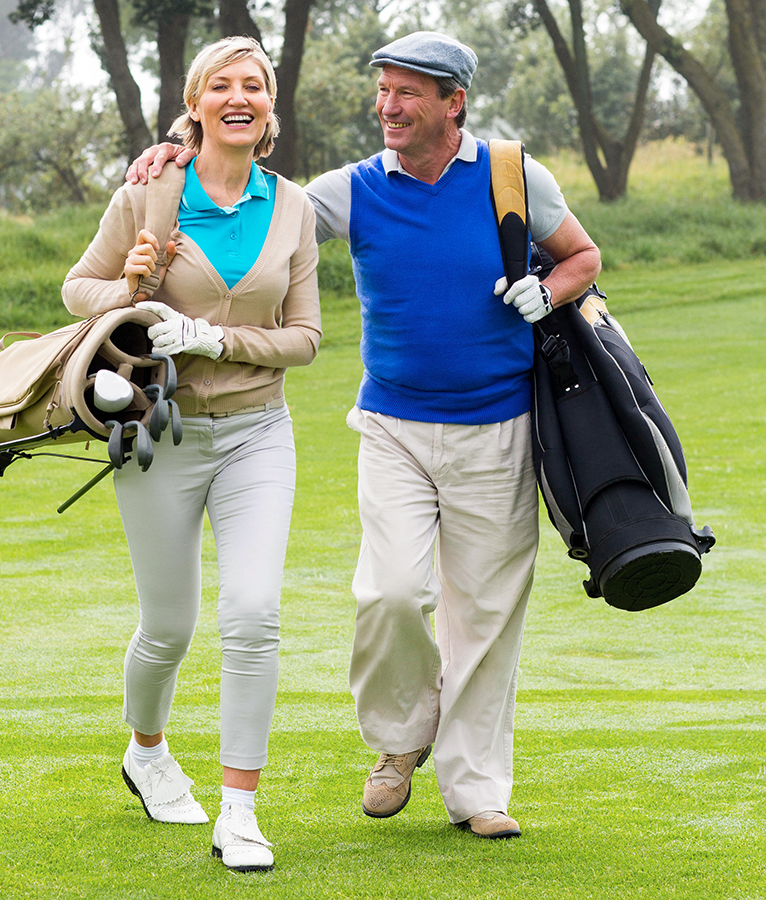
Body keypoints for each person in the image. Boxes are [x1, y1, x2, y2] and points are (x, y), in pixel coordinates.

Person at [127, 31, 600, 840]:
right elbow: (257, 198)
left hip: (502, 429)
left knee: (483, 618)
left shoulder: (512, 175)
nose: (388, 107)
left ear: (454, 102)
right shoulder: (347, 190)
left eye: (407, 93)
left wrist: (546, 290)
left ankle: (476, 791)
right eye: (383, 91)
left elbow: (582, 256)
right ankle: (398, 742)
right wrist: (172, 151)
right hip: (394, 426)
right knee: (389, 594)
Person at [63, 35, 321, 872]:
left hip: (257, 433)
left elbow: (306, 339)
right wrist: (133, 283)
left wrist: (212, 335)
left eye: (256, 86)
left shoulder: (293, 207)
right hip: (156, 436)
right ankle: (146, 750)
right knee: (169, 627)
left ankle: (240, 812)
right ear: (197, 101)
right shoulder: (150, 190)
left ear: (269, 109)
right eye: (223, 85)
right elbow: (79, 290)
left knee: (252, 616)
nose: (240, 97)